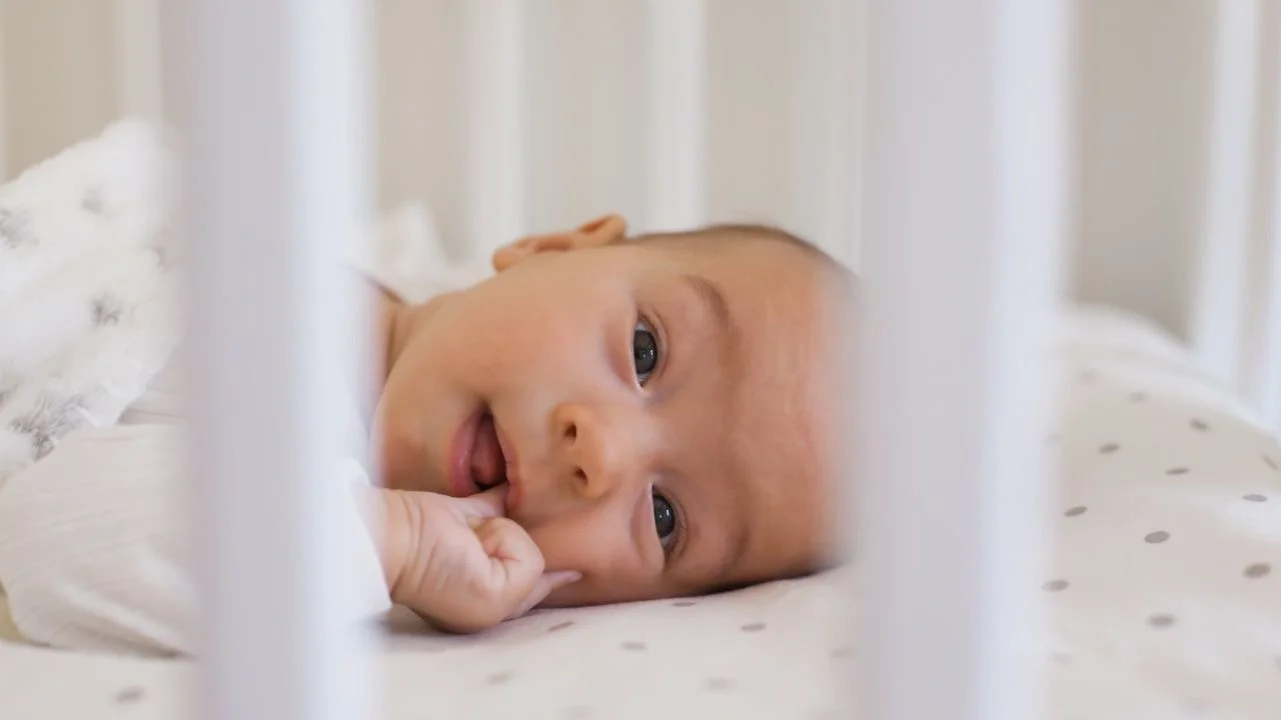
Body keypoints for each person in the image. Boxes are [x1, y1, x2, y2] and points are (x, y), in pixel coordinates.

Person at [0, 210, 853, 655]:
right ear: (551, 246)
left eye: (664, 518)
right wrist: (396, 542)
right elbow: (37, 537)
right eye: (644, 350)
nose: (603, 455)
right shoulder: (283, 342)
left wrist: (391, 542)